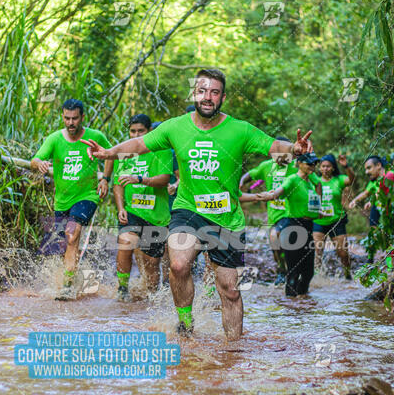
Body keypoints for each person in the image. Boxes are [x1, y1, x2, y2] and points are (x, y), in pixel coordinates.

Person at [82, 68, 313, 340]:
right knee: (179, 265)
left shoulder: (239, 130)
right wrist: (109, 152)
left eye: (214, 92)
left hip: (227, 218)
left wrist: (293, 149)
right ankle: (185, 323)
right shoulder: (175, 126)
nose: (207, 97)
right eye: (202, 91)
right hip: (188, 210)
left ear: (223, 97)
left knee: (229, 289)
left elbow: (270, 145)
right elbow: (140, 144)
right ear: (194, 93)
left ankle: (233, 350)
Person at [31, 99, 112, 300]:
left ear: (82, 117)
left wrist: (106, 180)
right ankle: (74, 277)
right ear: (62, 117)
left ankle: (67, 287)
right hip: (62, 200)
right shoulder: (55, 139)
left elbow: (111, 155)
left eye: (75, 118)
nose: (70, 122)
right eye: (67, 118)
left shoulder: (95, 136)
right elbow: (35, 159)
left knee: (72, 234)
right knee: (63, 245)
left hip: (87, 195)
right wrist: (39, 164)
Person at [113, 114, 173, 299]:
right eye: (133, 131)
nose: (136, 135)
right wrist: (121, 207)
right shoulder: (125, 153)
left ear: (149, 132)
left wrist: (139, 179)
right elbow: (118, 183)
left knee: (151, 265)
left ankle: (153, 298)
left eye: (141, 131)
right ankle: (122, 289)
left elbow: (163, 180)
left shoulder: (162, 151)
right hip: (132, 211)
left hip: (156, 216)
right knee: (125, 241)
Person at [258, 152, 322, 297]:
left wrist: (319, 206)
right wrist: (272, 195)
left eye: (314, 164)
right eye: (309, 164)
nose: (313, 166)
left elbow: (319, 185)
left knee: (308, 272)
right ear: (299, 163)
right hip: (293, 228)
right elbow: (282, 189)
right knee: (294, 271)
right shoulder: (292, 179)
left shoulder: (310, 180)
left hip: (307, 228)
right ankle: (290, 309)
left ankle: (302, 303)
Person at [239, 137, 297, 286]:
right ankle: (281, 271)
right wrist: (240, 183)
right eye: (275, 154)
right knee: (275, 244)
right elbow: (250, 175)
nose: (279, 157)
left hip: (292, 212)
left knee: (284, 241)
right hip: (274, 214)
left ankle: (292, 272)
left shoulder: (296, 166)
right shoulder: (266, 166)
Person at [312, 154, 355, 279]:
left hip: (337, 221)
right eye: (323, 166)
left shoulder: (339, 180)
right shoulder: (315, 180)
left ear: (333, 168)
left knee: (342, 252)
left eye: (328, 166)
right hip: (318, 221)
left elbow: (351, 179)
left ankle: (347, 274)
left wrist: (346, 166)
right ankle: (316, 278)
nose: (325, 169)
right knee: (317, 251)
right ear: (319, 168)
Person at [349, 156, 394, 261]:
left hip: (389, 210)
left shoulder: (390, 175)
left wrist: (371, 201)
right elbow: (367, 193)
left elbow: (381, 192)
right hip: (380, 209)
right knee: (379, 237)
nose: (366, 172)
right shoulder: (374, 181)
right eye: (366, 169)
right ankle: (373, 260)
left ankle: (389, 266)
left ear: (378, 165)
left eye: (369, 168)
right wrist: (355, 201)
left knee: (390, 240)